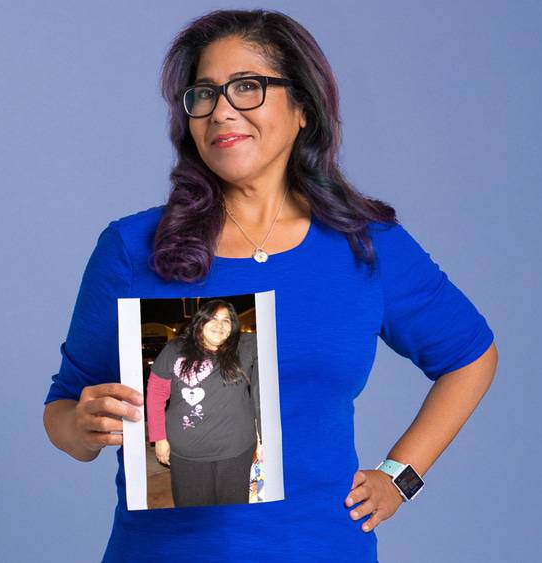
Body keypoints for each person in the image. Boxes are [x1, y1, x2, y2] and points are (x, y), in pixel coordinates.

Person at [42, 8, 498, 562]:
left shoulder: (365, 245)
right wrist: (82, 425)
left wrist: (398, 477)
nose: (222, 111)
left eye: (248, 87)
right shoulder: (131, 247)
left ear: (303, 107)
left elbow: (471, 356)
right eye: (203, 94)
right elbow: (63, 410)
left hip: (321, 549)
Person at [145, 299, 261, 507]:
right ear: (200, 321)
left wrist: (263, 438)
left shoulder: (245, 346)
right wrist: (159, 438)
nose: (220, 325)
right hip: (187, 453)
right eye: (213, 318)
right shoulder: (176, 349)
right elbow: (155, 394)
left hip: (236, 450)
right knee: (195, 516)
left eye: (226, 320)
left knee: (232, 512)